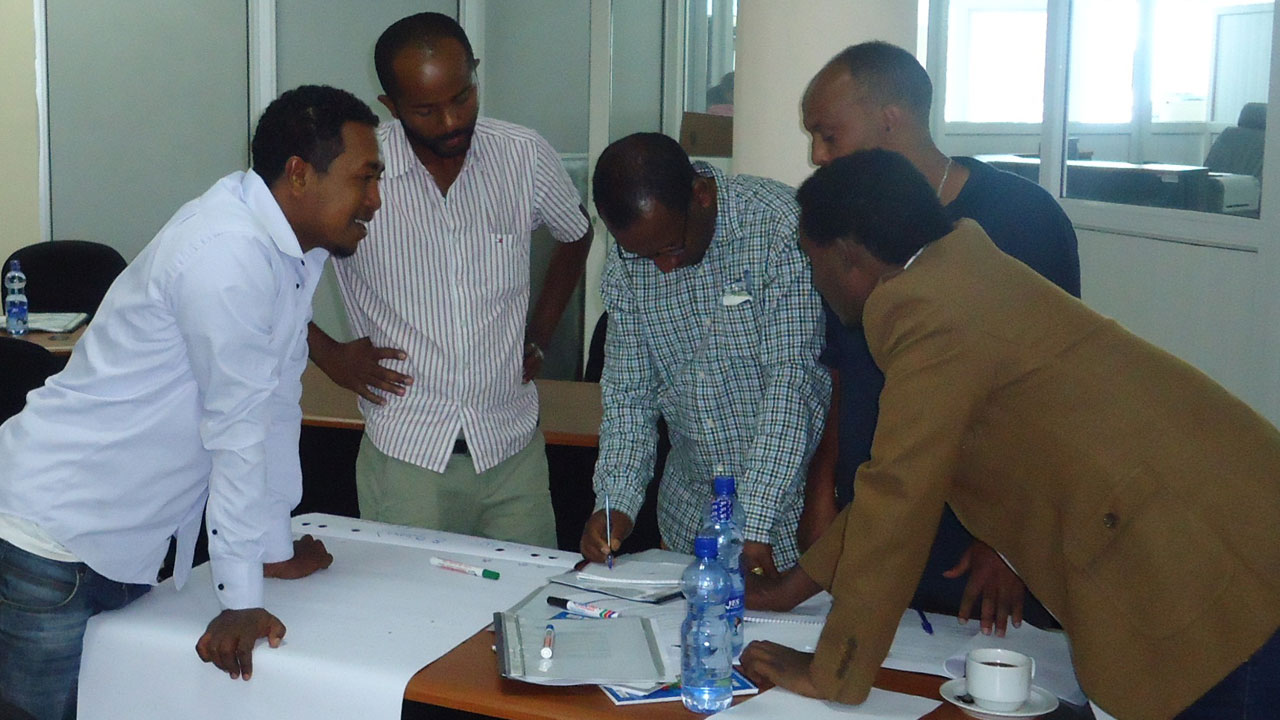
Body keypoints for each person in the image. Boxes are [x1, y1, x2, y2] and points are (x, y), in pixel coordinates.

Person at [740, 149, 1280, 720]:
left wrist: (832, 672)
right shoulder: (958, 273)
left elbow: (898, 497)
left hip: (1209, 568)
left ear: (847, 256)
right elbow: (903, 482)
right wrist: (788, 592)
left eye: (810, 255)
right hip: (1231, 524)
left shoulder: (929, 312)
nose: (813, 274)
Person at [0, 84, 382, 719]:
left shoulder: (288, 249)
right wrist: (240, 597)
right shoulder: (228, 253)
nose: (375, 199)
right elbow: (236, 431)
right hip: (51, 540)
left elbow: (277, 404)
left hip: (114, 539)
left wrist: (272, 549)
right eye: (363, 178)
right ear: (298, 175)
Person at [796, 41, 1081, 635]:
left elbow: (1055, 398)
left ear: (889, 119)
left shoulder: (1021, 218)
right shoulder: (851, 231)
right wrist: (823, 489)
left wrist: (1008, 544)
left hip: (977, 543)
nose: (817, 155)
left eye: (828, 134)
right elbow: (843, 369)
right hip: (880, 512)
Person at [307, 13, 593, 547]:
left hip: (512, 452)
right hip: (408, 457)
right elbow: (274, 269)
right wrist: (329, 354)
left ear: (475, 74)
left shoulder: (523, 155)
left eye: (462, 97)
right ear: (390, 106)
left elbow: (576, 231)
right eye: (425, 109)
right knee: (415, 622)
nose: (449, 121)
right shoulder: (358, 174)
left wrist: (543, 332)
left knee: (522, 611)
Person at [580, 132, 829, 574]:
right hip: (689, 519)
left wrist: (753, 524)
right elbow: (629, 395)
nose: (661, 267)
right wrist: (615, 502)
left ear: (702, 195)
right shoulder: (629, 258)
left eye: (670, 248)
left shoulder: (777, 226)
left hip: (785, 524)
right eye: (642, 256)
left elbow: (793, 382)